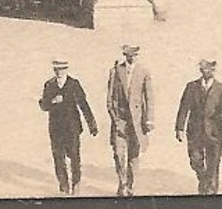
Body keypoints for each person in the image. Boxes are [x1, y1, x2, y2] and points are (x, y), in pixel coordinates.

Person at [175, 58, 222, 195]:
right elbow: (183, 108)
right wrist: (179, 128)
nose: (211, 70)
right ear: (201, 70)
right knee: (195, 161)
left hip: (215, 133)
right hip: (195, 131)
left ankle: (210, 194)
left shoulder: (221, 88)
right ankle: (204, 180)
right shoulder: (191, 87)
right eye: (207, 68)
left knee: (213, 165)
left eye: (213, 68)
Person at [39, 59, 98, 195]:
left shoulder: (74, 84)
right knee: (58, 157)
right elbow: (43, 105)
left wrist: (92, 124)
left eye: (62, 69)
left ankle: (76, 184)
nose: (59, 72)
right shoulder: (49, 85)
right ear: (54, 70)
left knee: (74, 156)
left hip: (72, 127)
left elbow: (83, 104)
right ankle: (63, 186)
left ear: (66, 69)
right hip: (55, 128)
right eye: (57, 70)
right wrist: (52, 101)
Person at [105, 43, 154, 196]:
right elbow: (110, 98)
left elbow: (149, 98)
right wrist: (115, 118)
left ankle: (131, 187)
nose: (132, 57)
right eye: (129, 54)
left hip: (137, 122)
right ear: (125, 55)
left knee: (133, 154)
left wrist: (149, 120)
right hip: (120, 121)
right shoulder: (115, 71)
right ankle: (122, 182)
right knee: (119, 153)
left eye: (134, 54)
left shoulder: (144, 72)